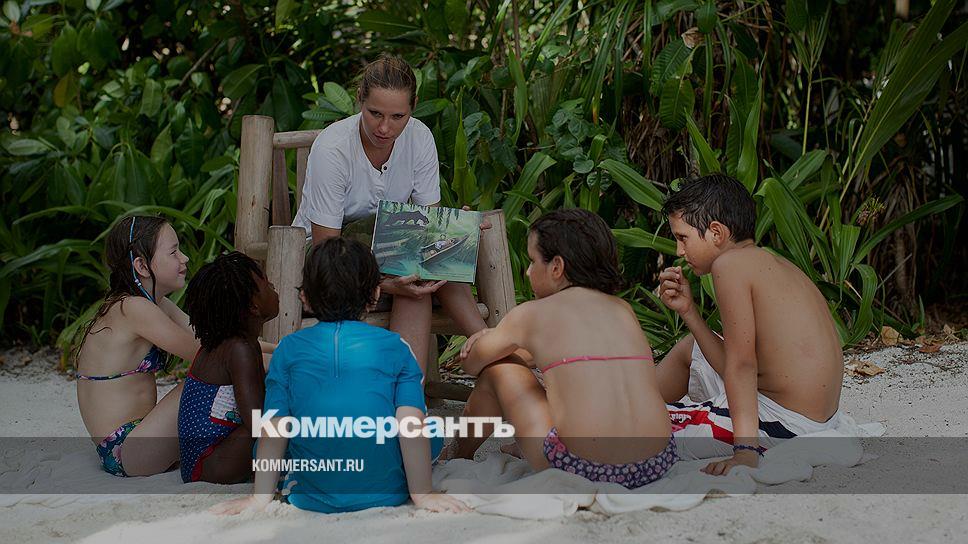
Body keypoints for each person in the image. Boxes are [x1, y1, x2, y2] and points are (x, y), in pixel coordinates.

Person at [211, 238, 468, 514]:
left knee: (262, 447)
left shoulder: (287, 349)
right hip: (387, 492)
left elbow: (275, 426)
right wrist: (423, 494)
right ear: (375, 294)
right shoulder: (396, 347)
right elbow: (409, 423)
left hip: (308, 497)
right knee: (431, 430)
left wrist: (259, 498)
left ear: (304, 297)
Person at [291, 54, 486, 375]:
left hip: (391, 245)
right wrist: (385, 283)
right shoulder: (333, 149)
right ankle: (483, 351)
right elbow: (328, 248)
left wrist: (454, 229)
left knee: (426, 268)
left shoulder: (419, 137)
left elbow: (427, 229)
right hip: (330, 257)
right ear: (360, 100)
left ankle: (483, 348)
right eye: (375, 114)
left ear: (413, 107)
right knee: (412, 273)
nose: (385, 128)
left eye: (398, 116)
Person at [454, 209, 677, 490]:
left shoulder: (533, 314)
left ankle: (457, 454)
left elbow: (472, 363)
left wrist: (486, 337)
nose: (528, 271)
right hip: (658, 462)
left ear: (557, 267)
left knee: (498, 369)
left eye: (533, 261)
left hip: (587, 470)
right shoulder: (623, 309)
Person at [654, 174, 844, 475]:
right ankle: (635, 399)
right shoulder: (776, 263)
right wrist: (688, 311)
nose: (679, 251)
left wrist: (745, 452)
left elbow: (742, 366)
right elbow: (737, 364)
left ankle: (621, 407)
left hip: (783, 424)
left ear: (716, 232)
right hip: (813, 417)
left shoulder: (728, 265)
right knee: (692, 348)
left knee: (636, 428)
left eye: (683, 238)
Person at [75, 215, 198, 477]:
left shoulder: (150, 303)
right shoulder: (133, 308)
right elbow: (207, 353)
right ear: (141, 265)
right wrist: (279, 357)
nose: (184, 258)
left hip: (133, 445)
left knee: (227, 367)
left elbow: (208, 338)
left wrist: (279, 348)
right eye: (174, 252)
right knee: (211, 375)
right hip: (128, 450)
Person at [178, 252, 279, 484]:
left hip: (207, 459)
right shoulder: (238, 350)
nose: (273, 286)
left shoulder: (234, 343)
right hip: (211, 463)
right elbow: (256, 423)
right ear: (253, 307)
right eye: (266, 283)